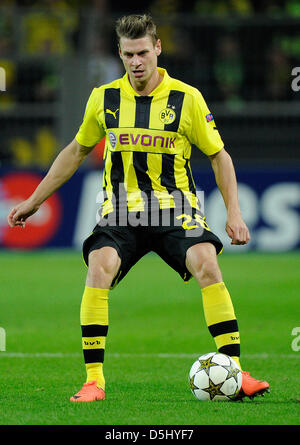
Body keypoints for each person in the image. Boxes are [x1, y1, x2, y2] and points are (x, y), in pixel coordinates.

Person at [8, 14, 270, 403]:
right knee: (99, 266)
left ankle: (236, 372)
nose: (136, 61)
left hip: (175, 208)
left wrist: (234, 212)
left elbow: (219, 156)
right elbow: (76, 151)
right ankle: (94, 381)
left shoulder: (187, 98)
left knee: (207, 261)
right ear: (120, 53)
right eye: (128, 54)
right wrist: (33, 201)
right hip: (121, 212)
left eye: (143, 52)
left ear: (157, 49)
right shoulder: (104, 98)